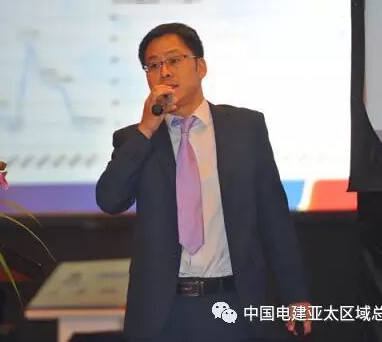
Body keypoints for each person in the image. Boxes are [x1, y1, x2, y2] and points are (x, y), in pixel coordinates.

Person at [96, 23, 311, 341]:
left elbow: (273, 215)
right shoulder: (136, 139)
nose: (164, 72)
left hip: (234, 302)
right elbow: (110, 200)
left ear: (201, 67)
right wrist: (146, 129)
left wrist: (295, 294)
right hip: (162, 313)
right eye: (153, 65)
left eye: (174, 60)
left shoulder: (245, 128)